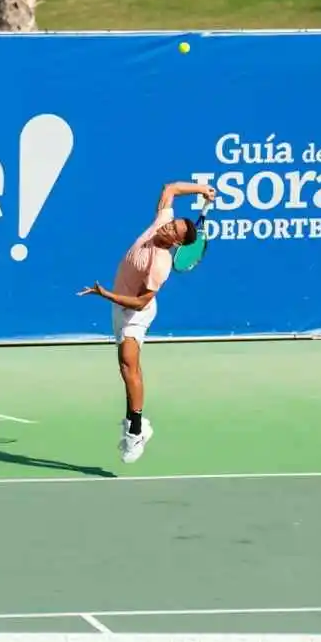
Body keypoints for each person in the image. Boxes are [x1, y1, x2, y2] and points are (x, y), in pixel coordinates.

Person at [78, 181, 217, 463]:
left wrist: (106, 294)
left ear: (176, 243)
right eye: (171, 224)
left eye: (172, 230)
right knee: (126, 369)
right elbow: (170, 189)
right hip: (120, 305)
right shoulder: (161, 223)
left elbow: (141, 302)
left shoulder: (160, 264)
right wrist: (201, 188)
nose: (167, 228)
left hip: (135, 312)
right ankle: (137, 422)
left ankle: (135, 431)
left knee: (128, 364)